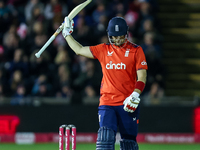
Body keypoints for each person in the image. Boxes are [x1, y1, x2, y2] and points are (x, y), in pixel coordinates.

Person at [62, 16, 148, 150]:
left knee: (129, 143)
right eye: (114, 37)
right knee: (105, 139)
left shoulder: (136, 50)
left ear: (126, 34)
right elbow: (79, 50)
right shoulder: (103, 50)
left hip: (128, 103)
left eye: (120, 36)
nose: (117, 40)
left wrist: (136, 94)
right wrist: (67, 34)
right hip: (107, 102)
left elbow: (142, 75)